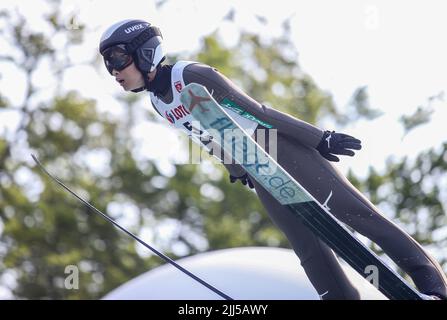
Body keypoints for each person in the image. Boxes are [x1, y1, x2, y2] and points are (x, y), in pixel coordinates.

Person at [99, 19, 447, 299]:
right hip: (256, 166)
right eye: (107, 63)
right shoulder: (159, 103)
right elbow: (208, 136)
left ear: (144, 52)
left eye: (117, 59)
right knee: (306, 247)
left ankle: (433, 288)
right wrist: (235, 169)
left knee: (356, 214)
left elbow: (258, 112)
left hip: (279, 146)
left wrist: (319, 137)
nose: (113, 71)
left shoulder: (191, 76)